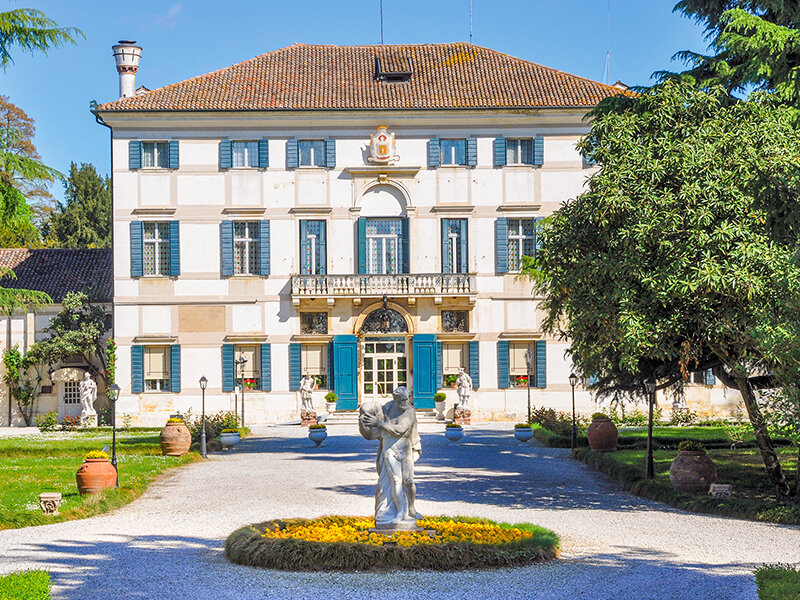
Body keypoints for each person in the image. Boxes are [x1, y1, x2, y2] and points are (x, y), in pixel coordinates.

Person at [359, 386, 421, 529]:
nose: (405, 402)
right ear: (395, 399)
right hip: (389, 448)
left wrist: (378, 423)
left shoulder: (410, 411)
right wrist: (365, 417)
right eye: (402, 400)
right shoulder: (388, 407)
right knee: (396, 481)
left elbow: (399, 429)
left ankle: (411, 508)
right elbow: (375, 424)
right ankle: (400, 512)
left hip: (404, 448)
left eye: (407, 399)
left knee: (409, 481)